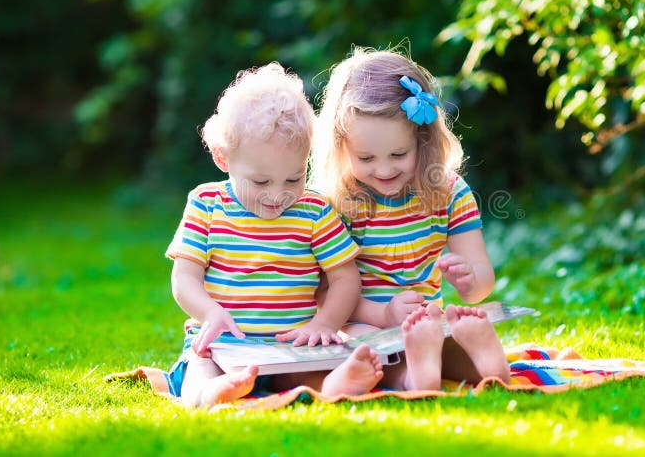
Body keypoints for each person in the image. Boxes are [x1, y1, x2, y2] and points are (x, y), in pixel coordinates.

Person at [166, 63, 383, 408]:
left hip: (291, 346)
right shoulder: (207, 204)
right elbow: (184, 278)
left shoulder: (314, 210)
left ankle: (334, 385)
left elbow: (345, 278)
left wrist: (324, 323)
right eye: (261, 181)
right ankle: (209, 392)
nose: (278, 194)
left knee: (308, 373)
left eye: (294, 179)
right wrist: (209, 312)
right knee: (200, 365)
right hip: (223, 343)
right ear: (223, 158)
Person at [310, 47, 511, 391]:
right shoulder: (337, 203)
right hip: (363, 322)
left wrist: (469, 280)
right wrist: (385, 315)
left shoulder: (448, 191)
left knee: (441, 337)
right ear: (341, 147)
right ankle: (422, 372)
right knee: (359, 348)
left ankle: (482, 365)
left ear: (423, 140)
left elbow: (482, 283)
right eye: (366, 158)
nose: (384, 169)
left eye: (398, 154)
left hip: (426, 325)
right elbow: (324, 294)